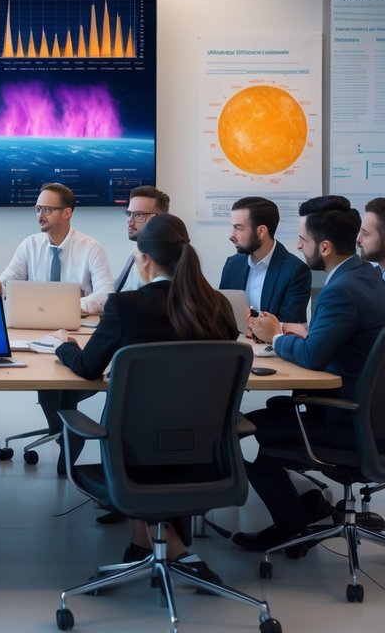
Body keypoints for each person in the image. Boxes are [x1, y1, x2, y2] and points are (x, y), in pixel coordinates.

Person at [50, 213, 238, 584]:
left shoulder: (125, 306)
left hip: (135, 457)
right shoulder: (218, 306)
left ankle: (171, 550)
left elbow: (88, 368)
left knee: (132, 429)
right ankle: (147, 545)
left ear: (145, 259)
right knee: (148, 426)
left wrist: (64, 348)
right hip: (204, 454)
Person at [234, 195, 385, 552]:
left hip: (345, 418)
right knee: (274, 418)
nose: (297, 245)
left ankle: (292, 527)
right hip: (373, 413)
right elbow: (328, 342)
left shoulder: (340, 290)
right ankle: (300, 511)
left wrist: (274, 335)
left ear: (324, 246)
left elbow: (311, 356)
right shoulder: (365, 276)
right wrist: (303, 335)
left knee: (239, 426)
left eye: (303, 240)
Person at [0, 182, 113, 472]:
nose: (40, 214)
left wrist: (71, 306)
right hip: (36, 332)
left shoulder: (90, 248)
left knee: (61, 383)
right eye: (38, 208)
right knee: (47, 378)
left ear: (67, 213)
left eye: (47, 209)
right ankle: (68, 432)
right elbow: (9, 282)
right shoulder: (30, 244)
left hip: (78, 333)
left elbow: (105, 295)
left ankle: (66, 433)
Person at [219, 196, 312, 326]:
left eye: (238, 228)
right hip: (236, 345)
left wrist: (251, 325)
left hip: (273, 346)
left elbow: (290, 325)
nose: (231, 235)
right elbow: (223, 314)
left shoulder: (296, 271)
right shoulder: (232, 265)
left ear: (261, 231)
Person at [113, 185, 169, 293]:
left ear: (158, 219)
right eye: (129, 214)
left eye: (138, 215)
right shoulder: (136, 253)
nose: (130, 220)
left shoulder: (158, 261)